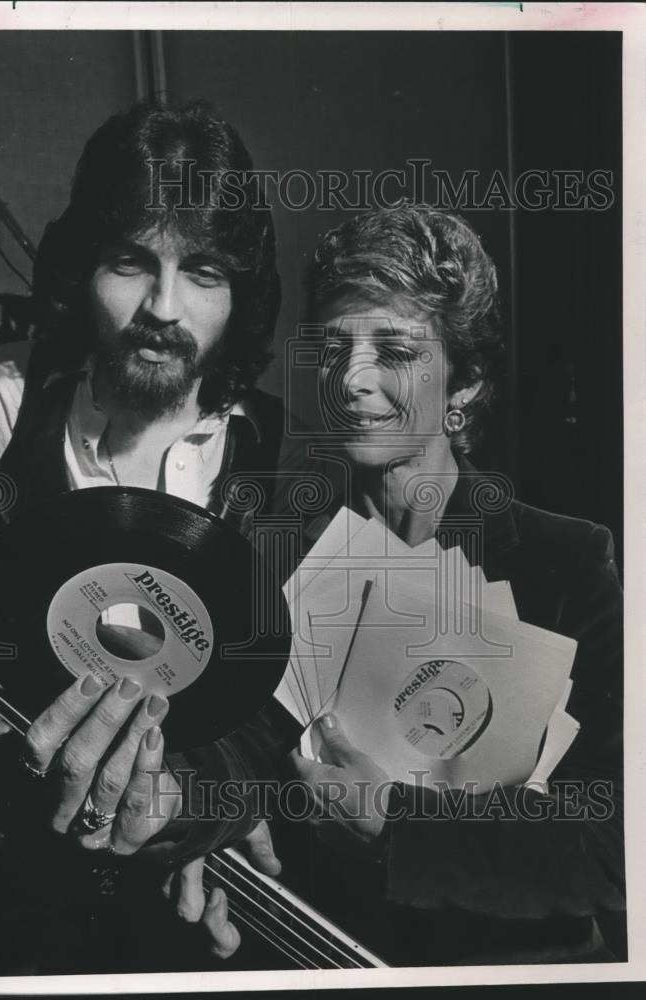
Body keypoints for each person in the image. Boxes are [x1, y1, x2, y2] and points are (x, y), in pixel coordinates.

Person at [0, 99, 307, 974]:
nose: (162, 307)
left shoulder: (274, 450)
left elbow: (272, 707)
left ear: (239, 293)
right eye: (130, 264)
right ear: (84, 268)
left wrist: (194, 812)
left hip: (178, 845)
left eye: (202, 271)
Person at [182, 205, 625, 966]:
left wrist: (393, 821)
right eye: (333, 349)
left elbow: (614, 848)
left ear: (466, 385)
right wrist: (198, 833)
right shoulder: (273, 553)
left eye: (393, 350)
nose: (352, 380)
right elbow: (228, 758)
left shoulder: (567, 564)